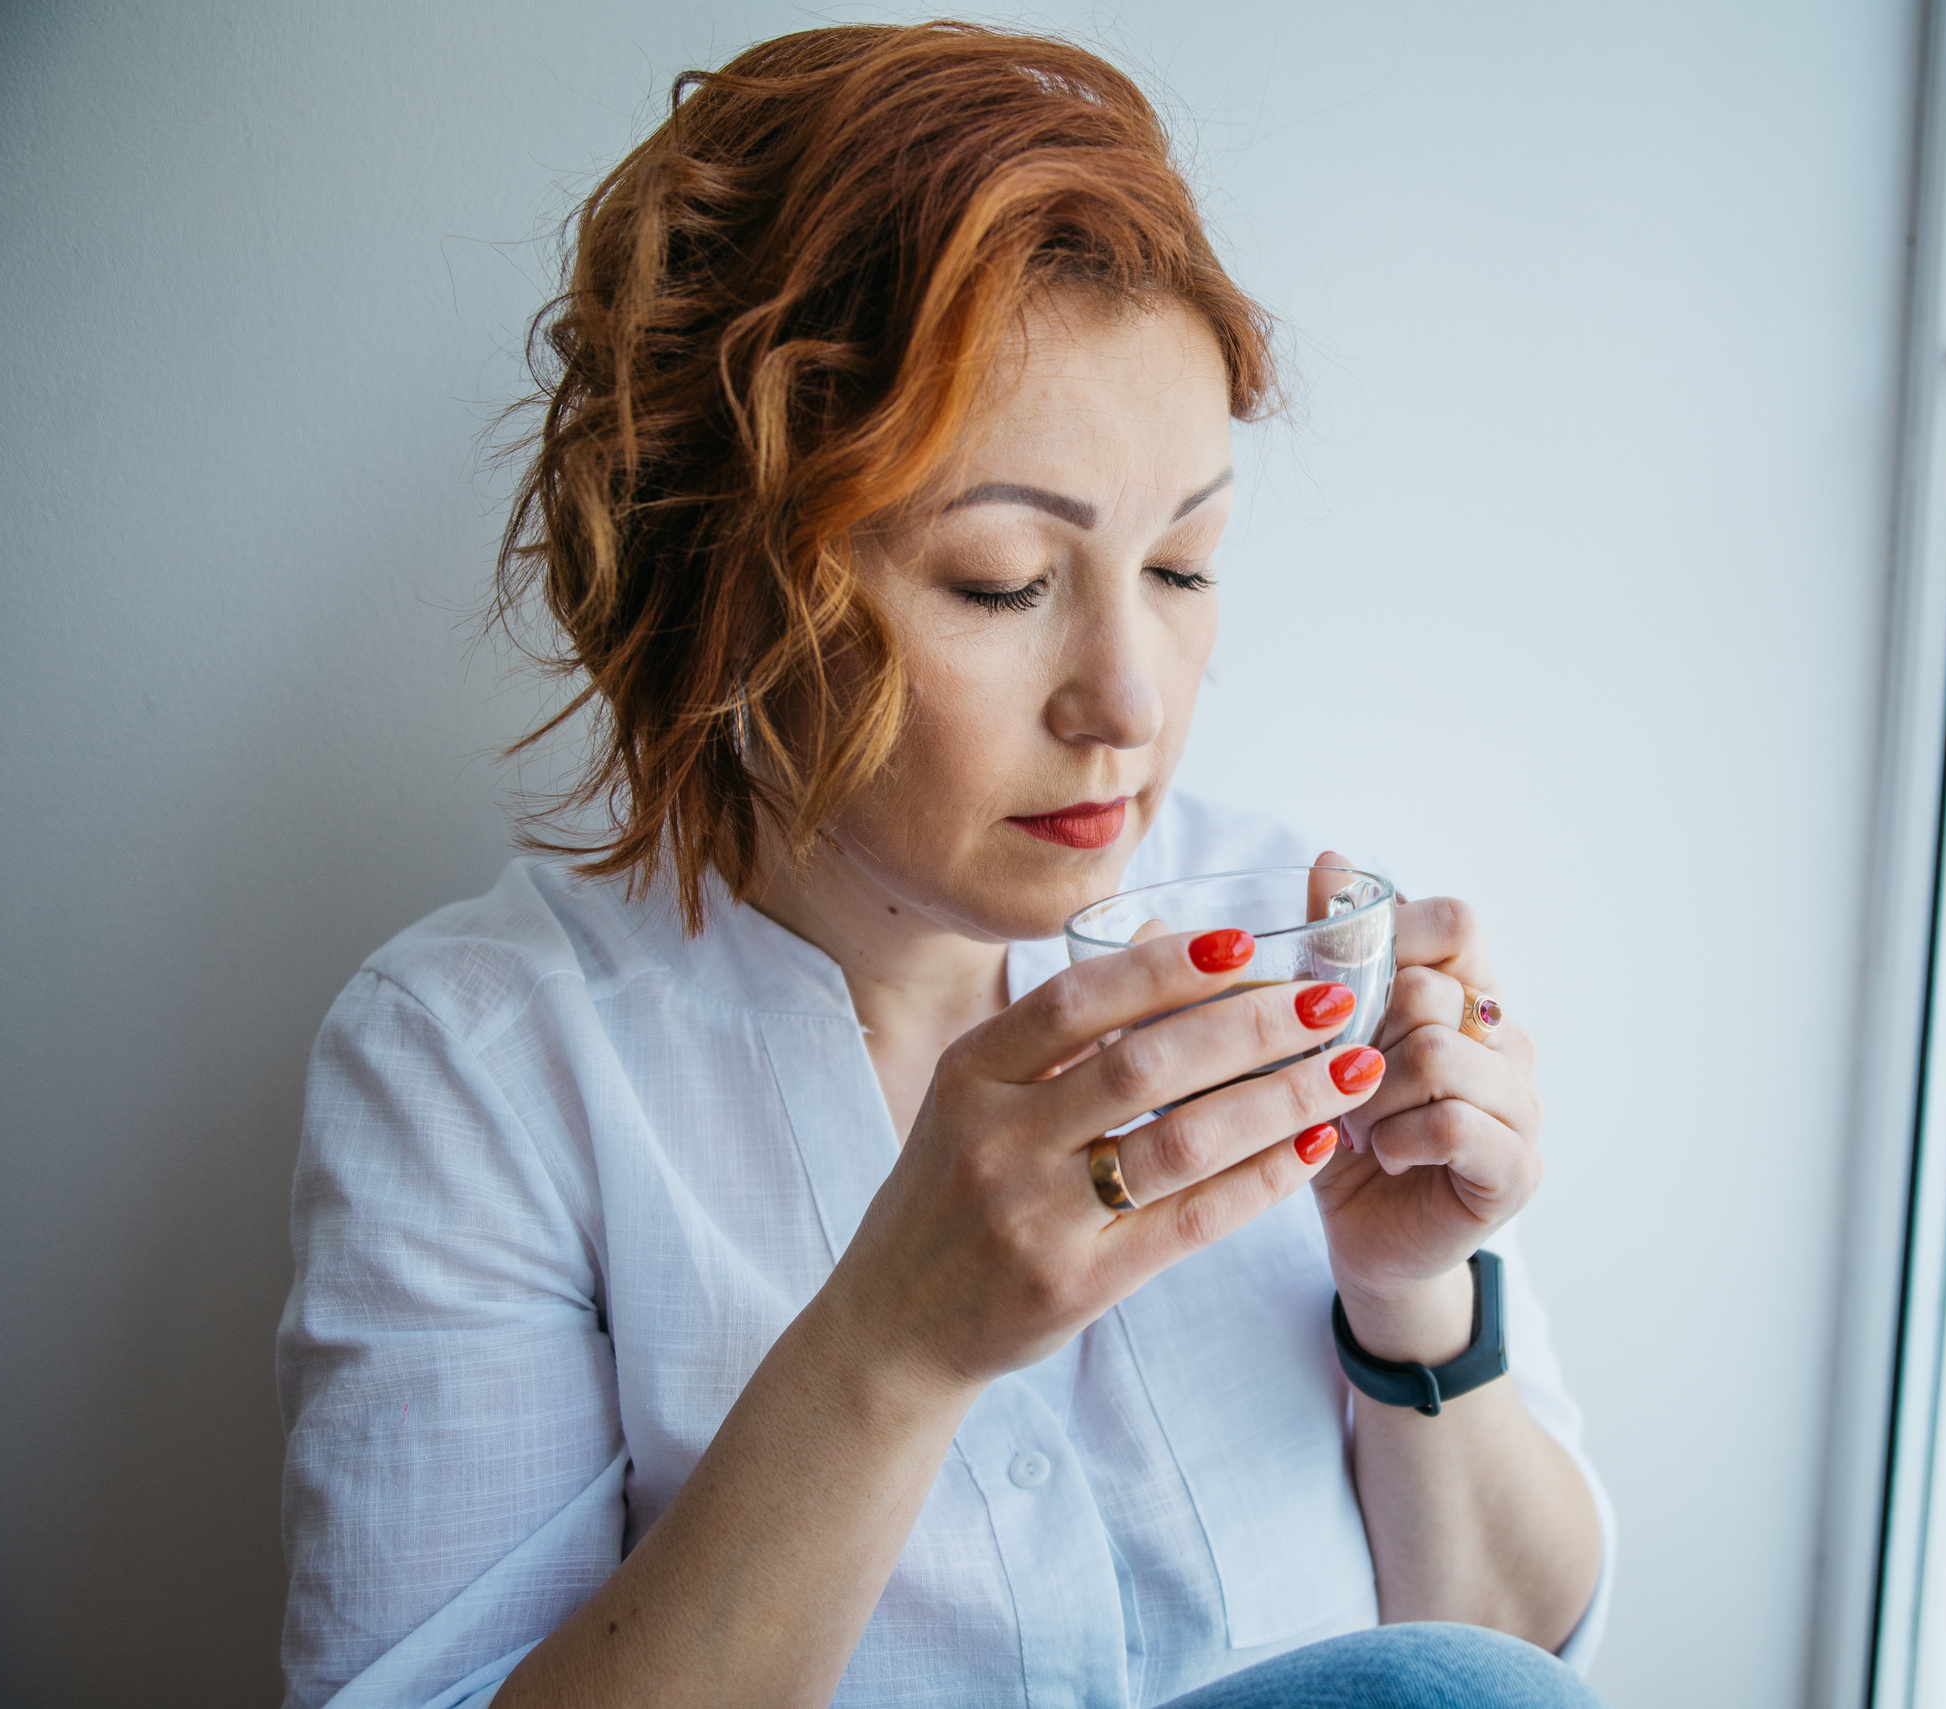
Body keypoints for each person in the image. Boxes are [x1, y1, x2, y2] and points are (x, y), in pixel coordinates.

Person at [276, 22, 1612, 1709]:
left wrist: (1410, 1297)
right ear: (727, 581)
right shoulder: (478, 1067)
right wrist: (891, 1348)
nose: (1130, 701)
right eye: (1000, 580)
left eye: (1185, 566)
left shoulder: (1285, 937)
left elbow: (1519, 1645)